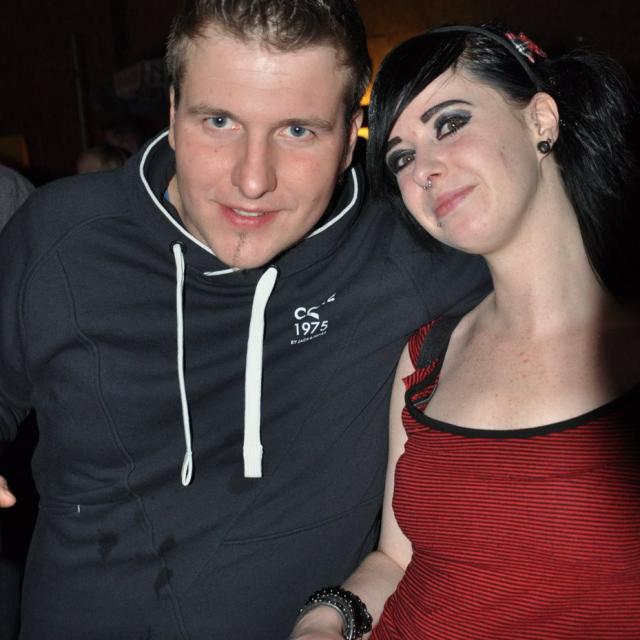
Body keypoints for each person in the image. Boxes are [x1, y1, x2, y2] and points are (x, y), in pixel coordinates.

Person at [0, 3, 489, 638]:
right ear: (172, 112)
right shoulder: (59, 236)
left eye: (298, 131)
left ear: (352, 137)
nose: (252, 180)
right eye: (219, 121)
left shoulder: (413, 250)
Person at [290, 23, 640, 640]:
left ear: (540, 120)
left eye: (449, 124)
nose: (423, 169)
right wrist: (324, 620)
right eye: (401, 157)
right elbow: (396, 560)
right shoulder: (426, 354)